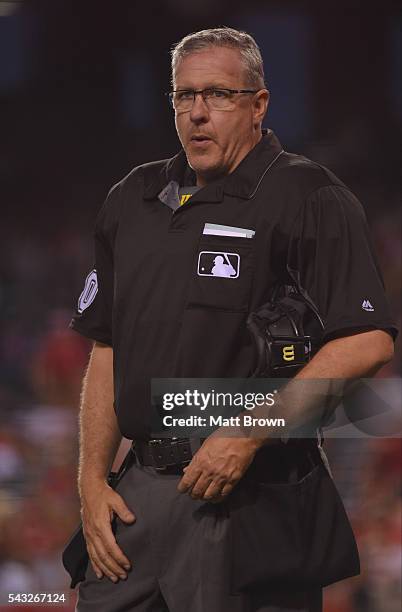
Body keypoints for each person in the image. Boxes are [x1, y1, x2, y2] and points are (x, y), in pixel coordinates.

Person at [69, 27, 396, 612]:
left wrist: (246, 433)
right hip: (139, 493)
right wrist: (91, 481)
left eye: (219, 94)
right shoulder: (132, 198)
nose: (198, 113)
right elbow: (106, 348)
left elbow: (367, 341)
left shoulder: (308, 195)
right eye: (183, 96)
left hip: (251, 495)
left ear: (258, 104)